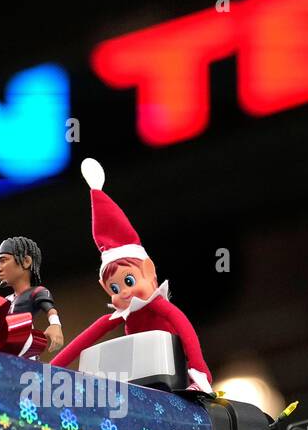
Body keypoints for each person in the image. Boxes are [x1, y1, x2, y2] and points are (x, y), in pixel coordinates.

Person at [50, 159, 212, 392]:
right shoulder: (120, 315)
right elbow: (81, 342)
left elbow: (184, 329)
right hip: (138, 377)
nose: (123, 293)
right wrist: (47, 372)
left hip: (172, 372)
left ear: (148, 271)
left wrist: (199, 371)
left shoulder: (159, 307)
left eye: (128, 281)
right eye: (114, 289)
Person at [0, 236, 64, 357]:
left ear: (26, 261)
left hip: (26, 350)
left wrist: (55, 325)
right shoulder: (5, 301)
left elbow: (51, 310)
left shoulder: (36, 292)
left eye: (3, 260)